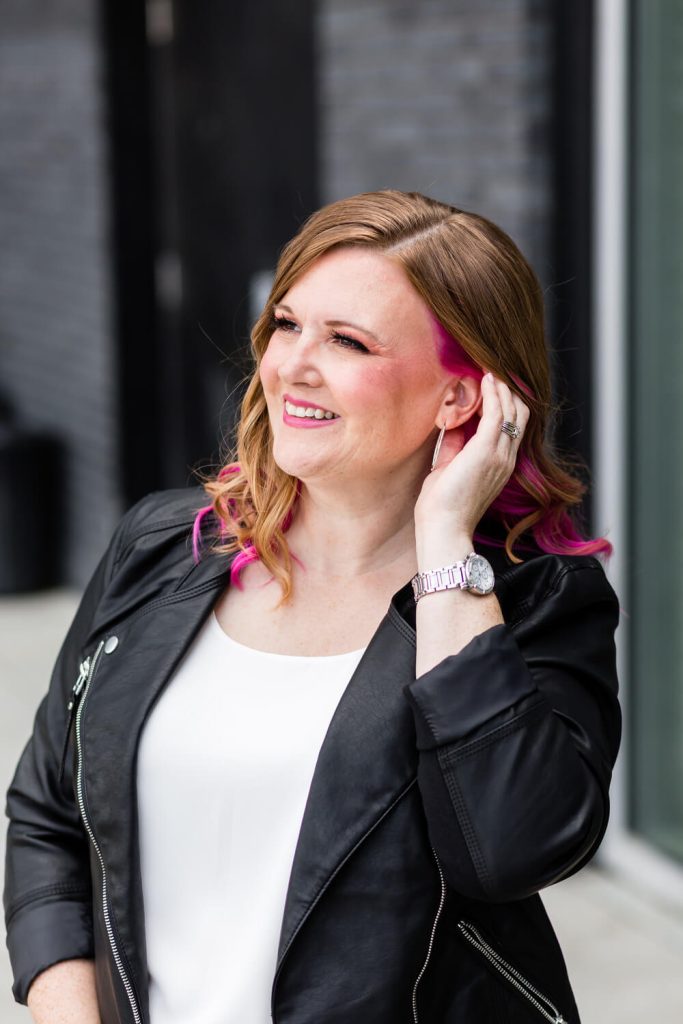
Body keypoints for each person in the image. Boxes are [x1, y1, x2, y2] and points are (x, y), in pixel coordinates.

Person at [4, 190, 620, 1024]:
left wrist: (445, 545)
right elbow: (49, 818)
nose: (292, 364)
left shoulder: (529, 601)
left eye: (347, 341)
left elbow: (509, 851)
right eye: (287, 324)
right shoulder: (162, 547)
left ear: (459, 398)